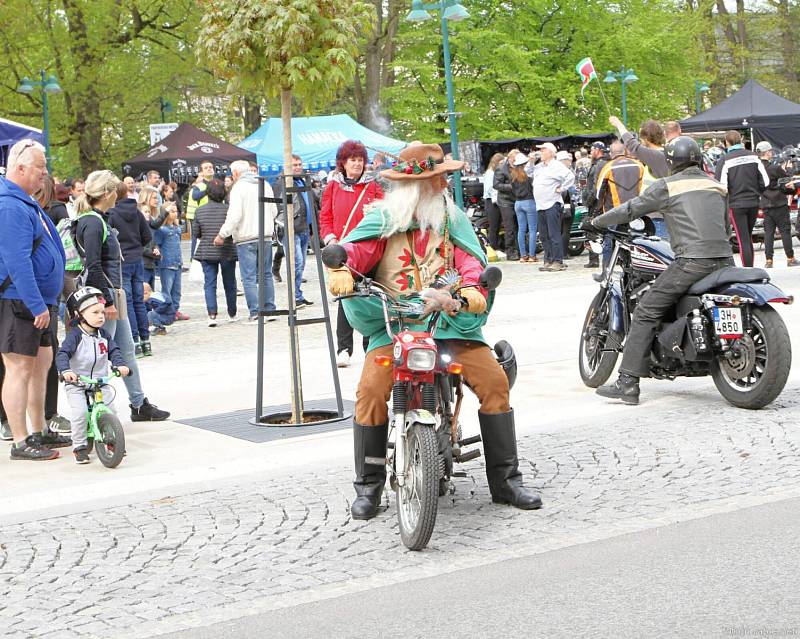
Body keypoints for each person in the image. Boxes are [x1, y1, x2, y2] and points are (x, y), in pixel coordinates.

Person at [328, 142, 542, 520]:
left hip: (449, 324)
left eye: (444, 176)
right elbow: (359, 251)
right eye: (436, 178)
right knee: (370, 393)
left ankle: (506, 481)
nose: (444, 183)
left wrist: (473, 288)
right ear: (416, 185)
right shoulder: (384, 219)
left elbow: (468, 260)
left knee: (494, 383)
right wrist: (344, 265)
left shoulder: (451, 220)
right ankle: (369, 486)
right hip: (396, 328)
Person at [584, 137, 733, 405]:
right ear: (699, 158)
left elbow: (630, 209)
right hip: (724, 261)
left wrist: (597, 221)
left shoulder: (668, 186)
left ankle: (627, 383)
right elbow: (726, 228)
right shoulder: (717, 186)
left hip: (691, 261)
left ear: (671, 162)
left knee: (645, 310)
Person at [74, 169, 170, 421]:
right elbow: (94, 265)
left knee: (126, 352)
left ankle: (139, 404)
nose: (119, 195)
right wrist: (104, 303)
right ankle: (99, 411)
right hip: (106, 297)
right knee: (101, 355)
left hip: (112, 295)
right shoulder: (93, 222)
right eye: (116, 190)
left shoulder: (95, 219)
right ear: (106, 193)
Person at [0, 140, 71, 459]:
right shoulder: (10, 205)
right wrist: (35, 303)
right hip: (20, 301)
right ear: (21, 168)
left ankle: (38, 430)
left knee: (41, 365)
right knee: (18, 369)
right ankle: (20, 440)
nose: (45, 173)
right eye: (40, 167)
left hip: (37, 301)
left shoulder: (23, 202)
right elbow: (16, 260)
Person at [319, 141, 383, 367]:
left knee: (370, 296)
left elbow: (384, 214)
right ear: (343, 163)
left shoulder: (374, 187)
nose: (357, 164)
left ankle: (371, 346)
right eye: (352, 160)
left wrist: (377, 209)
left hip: (368, 250)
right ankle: (344, 348)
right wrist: (331, 240)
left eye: (360, 160)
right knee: (345, 296)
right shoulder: (332, 188)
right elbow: (325, 218)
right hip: (342, 250)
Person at [57, 287, 130, 464]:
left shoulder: (104, 335)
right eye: (95, 312)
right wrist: (66, 371)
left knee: (110, 409)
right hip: (77, 382)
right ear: (79, 314)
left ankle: (113, 441)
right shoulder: (75, 336)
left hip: (100, 381)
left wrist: (120, 365)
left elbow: (114, 351)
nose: (101, 316)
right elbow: (62, 354)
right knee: (80, 413)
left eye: (102, 313)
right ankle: (80, 446)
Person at [215, 160, 278, 322]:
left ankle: (256, 311)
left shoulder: (238, 189)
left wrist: (222, 234)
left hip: (245, 237)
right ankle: (270, 309)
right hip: (265, 236)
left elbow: (234, 216)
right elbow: (274, 210)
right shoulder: (264, 184)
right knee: (266, 274)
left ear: (236, 173)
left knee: (248, 277)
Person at [608, 115, 670, 239]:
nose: (641, 141)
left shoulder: (656, 156)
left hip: (658, 218)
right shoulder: (664, 154)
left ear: (646, 138)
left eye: (641, 138)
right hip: (657, 215)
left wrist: (619, 125)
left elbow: (632, 145)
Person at [109, 181, 153, 357]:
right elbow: (147, 236)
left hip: (122, 260)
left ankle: (133, 341)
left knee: (127, 303)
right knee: (139, 301)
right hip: (137, 258)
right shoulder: (136, 211)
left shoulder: (111, 214)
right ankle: (146, 340)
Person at [715, 130, 769, 267]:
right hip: (753, 202)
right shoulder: (753, 156)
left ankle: (748, 271)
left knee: (743, 238)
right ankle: (750, 268)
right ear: (741, 140)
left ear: (726, 142)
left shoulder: (725, 160)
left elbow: (721, 186)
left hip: (736, 204)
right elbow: (766, 181)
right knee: (747, 237)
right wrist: (757, 191)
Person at [593, 142, 645, 278]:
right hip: (636, 211)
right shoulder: (639, 165)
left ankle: (606, 273)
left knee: (609, 241)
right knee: (636, 241)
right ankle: (638, 273)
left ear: (611, 153)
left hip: (615, 212)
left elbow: (599, 193)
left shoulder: (608, 167)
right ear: (625, 151)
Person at [274, 155, 318, 307]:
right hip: (291, 229)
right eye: (294, 165)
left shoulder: (302, 181)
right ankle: (295, 296)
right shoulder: (282, 183)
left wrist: (312, 227)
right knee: (296, 263)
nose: (298, 167)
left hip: (304, 228)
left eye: (300, 164)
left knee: (301, 264)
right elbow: (281, 208)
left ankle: (297, 293)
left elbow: (310, 205)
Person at [194, 178, 239, 325]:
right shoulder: (229, 210)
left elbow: (196, 233)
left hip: (207, 250)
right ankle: (232, 312)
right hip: (227, 250)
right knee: (230, 283)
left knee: (209, 283)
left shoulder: (199, 211)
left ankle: (212, 314)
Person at [533, 143, 575, 272]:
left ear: (551, 152)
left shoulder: (557, 165)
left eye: (543, 150)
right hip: (540, 205)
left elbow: (570, 177)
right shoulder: (540, 167)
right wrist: (530, 161)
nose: (540, 152)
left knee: (554, 233)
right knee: (544, 234)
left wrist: (562, 188)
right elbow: (528, 173)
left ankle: (557, 260)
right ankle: (548, 259)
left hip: (552, 203)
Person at [756, 141, 799, 268]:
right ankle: (790, 258)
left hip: (765, 203)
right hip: (779, 202)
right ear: (768, 152)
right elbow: (787, 182)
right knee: (785, 231)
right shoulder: (774, 168)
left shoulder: (756, 169)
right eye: (770, 151)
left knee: (768, 233)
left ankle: (769, 260)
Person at [153, 204, 184, 325]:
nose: (175, 214)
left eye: (176, 211)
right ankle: (168, 312)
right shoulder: (162, 230)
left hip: (177, 263)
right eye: (172, 211)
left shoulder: (177, 229)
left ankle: (175, 310)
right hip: (167, 263)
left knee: (177, 290)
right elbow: (157, 244)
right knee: (167, 290)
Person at [582, 142, 609, 268]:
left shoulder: (599, 164)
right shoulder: (600, 163)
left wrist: (589, 200)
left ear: (597, 150)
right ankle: (594, 258)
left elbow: (595, 186)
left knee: (592, 229)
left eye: (592, 149)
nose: (590, 152)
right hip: (598, 201)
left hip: (596, 203)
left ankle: (594, 259)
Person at [492, 151, 521, 260]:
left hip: (517, 199)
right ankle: (510, 251)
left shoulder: (518, 167)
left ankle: (519, 250)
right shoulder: (501, 168)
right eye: (514, 160)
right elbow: (496, 185)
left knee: (519, 226)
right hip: (505, 201)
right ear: (509, 158)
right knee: (510, 227)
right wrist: (512, 186)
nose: (515, 162)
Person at [510, 153, 537, 262]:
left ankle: (522, 256)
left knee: (521, 229)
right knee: (532, 229)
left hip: (518, 203)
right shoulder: (528, 176)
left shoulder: (513, 176)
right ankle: (531, 255)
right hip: (529, 202)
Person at [187, 160, 215, 255]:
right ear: (202, 172)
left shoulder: (218, 184)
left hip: (215, 217)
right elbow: (195, 197)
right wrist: (207, 190)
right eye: (206, 168)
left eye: (210, 167)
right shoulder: (198, 186)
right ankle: (193, 260)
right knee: (197, 240)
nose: (209, 169)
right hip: (200, 218)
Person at [138, 186, 162, 292]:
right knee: (145, 291)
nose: (157, 201)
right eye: (154, 198)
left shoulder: (151, 218)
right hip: (144, 261)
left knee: (151, 291)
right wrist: (153, 252)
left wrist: (156, 248)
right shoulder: (140, 220)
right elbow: (141, 245)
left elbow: (152, 240)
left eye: (157, 198)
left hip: (151, 261)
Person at [482, 153, 504, 252]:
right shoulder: (490, 173)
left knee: (497, 224)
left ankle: (495, 245)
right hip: (491, 201)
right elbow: (490, 188)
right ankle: (493, 247)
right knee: (494, 225)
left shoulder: (492, 172)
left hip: (493, 200)